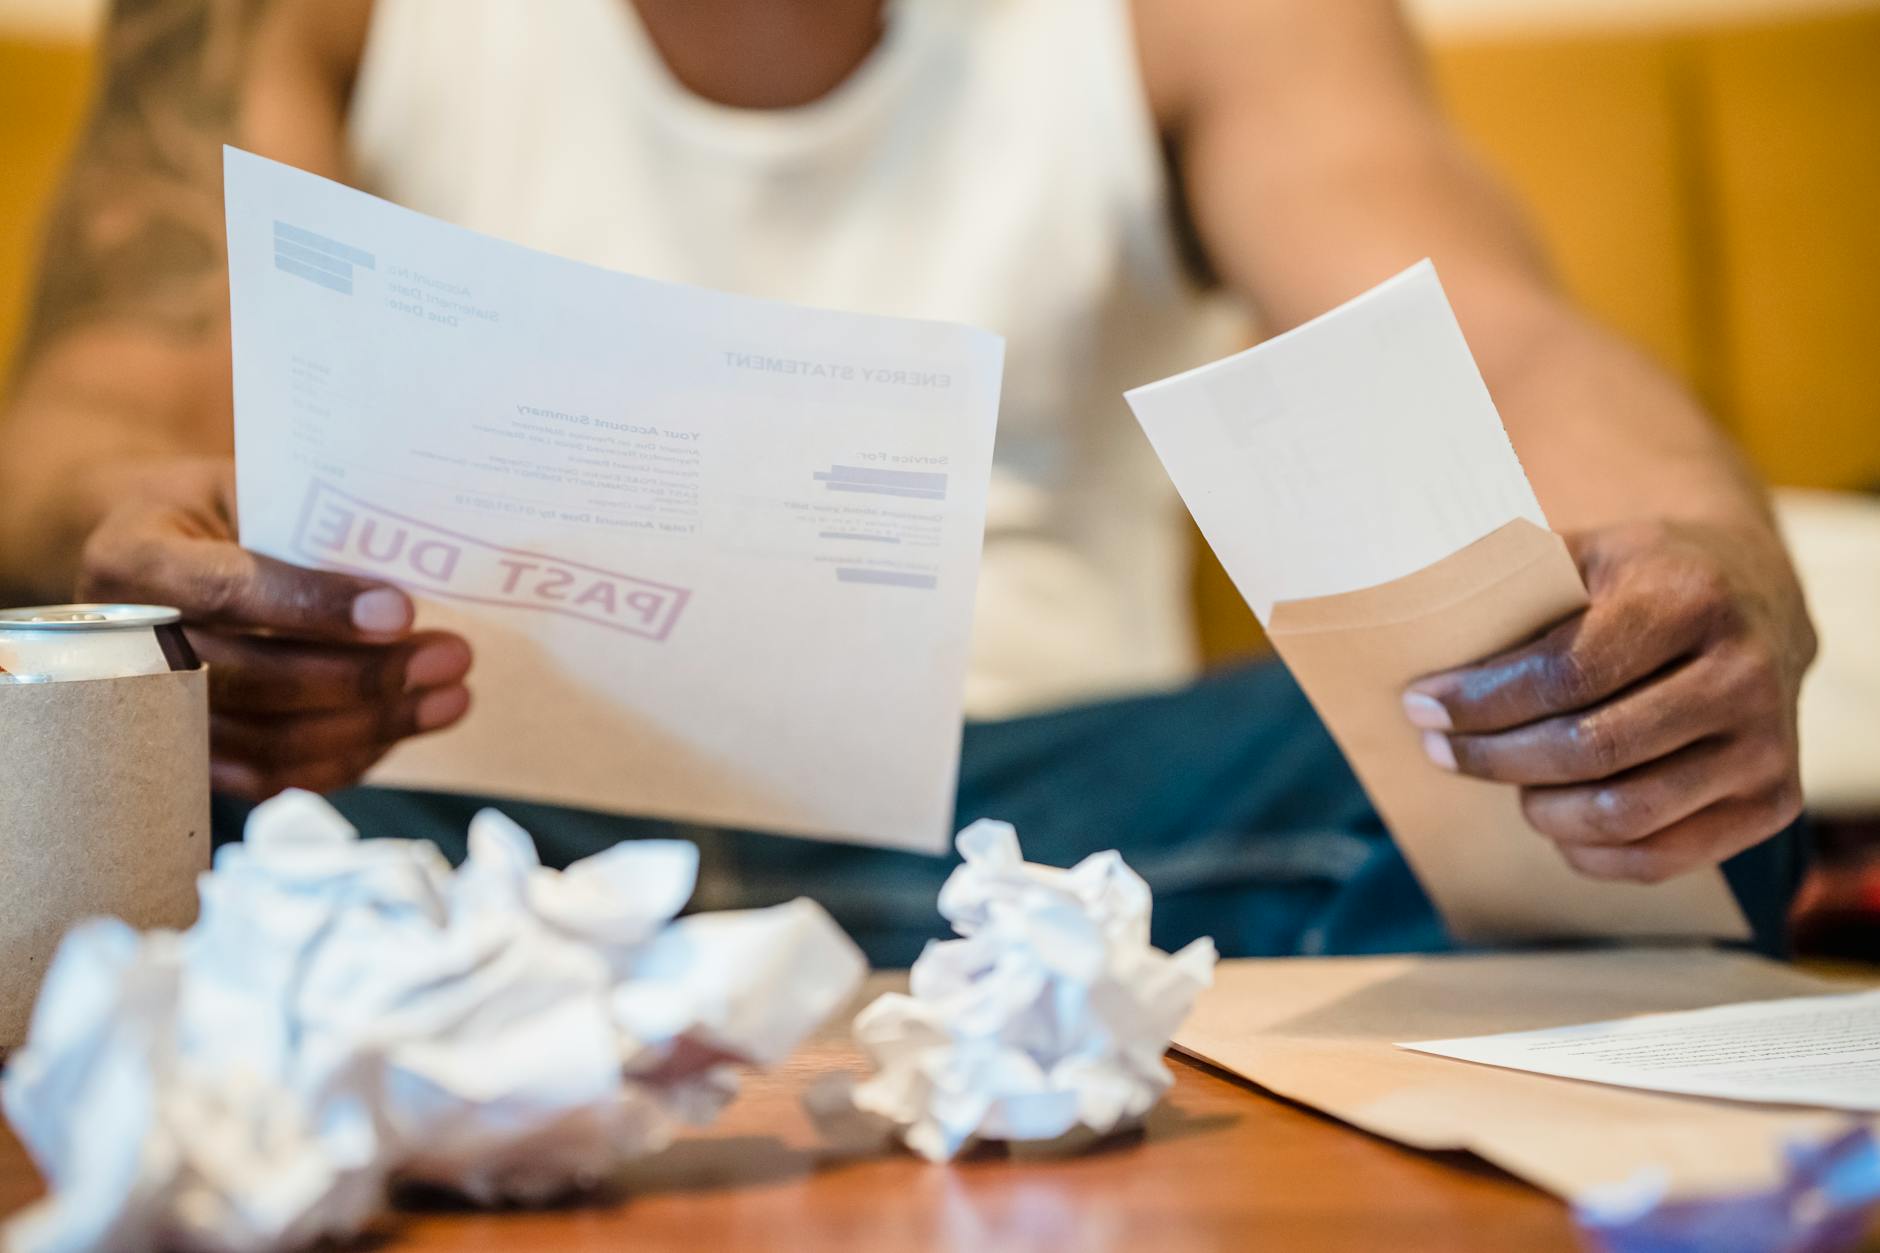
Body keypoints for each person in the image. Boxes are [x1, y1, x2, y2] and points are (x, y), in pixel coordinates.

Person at [0, 0, 1814, 963]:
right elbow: (103, 395)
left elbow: (1489, 344)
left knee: (1658, 816)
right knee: (121, 779)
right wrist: (135, 569)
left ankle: (565, 970)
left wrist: (1703, 580)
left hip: (1044, 823)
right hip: (438, 769)